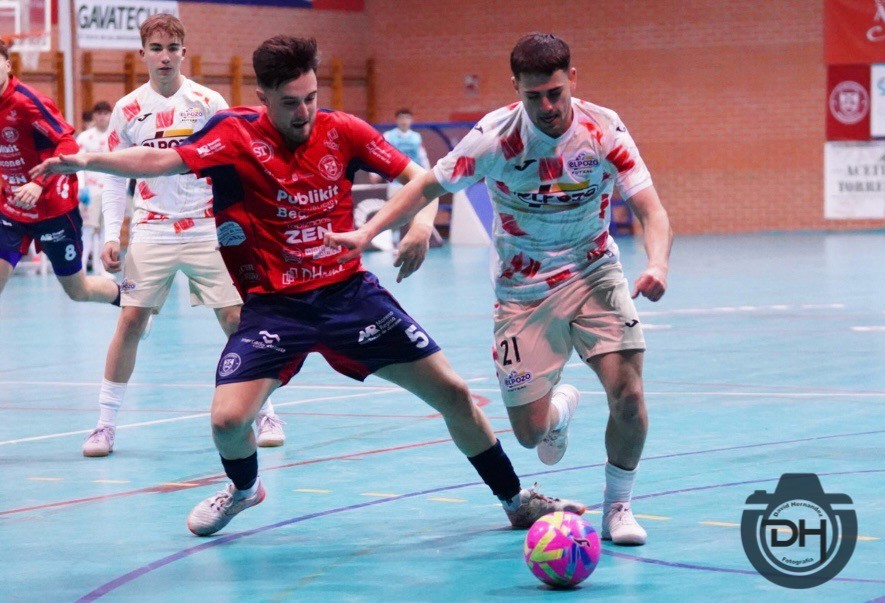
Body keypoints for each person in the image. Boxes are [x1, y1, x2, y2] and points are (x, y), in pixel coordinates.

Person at [32, 34, 584, 537]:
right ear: (263, 97)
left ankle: (515, 500)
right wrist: (88, 160)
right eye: (291, 102)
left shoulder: (342, 130)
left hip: (349, 297)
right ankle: (245, 490)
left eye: (312, 98)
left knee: (455, 395)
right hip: (275, 309)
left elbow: (422, 179)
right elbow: (159, 160)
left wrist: (419, 225)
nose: (304, 112)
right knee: (227, 421)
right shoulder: (233, 135)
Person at [324, 33, 673, 546]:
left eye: (555, 93)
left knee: (629, 394)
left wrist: (657, 263)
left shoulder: (603, 128)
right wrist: (368, 231)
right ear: (516, 88)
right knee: (530, 435)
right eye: (534, 96)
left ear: (573, 80)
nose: (548, 106)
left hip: (594, 272)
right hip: (522, 290)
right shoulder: (493, 138)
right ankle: (559, 410)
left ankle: (618, 506)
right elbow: (426, 186)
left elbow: (651, 209)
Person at [78, 14, 285, 458]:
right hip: (151, 228)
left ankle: (266, 413)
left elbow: (234, 164)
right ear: (142, 55)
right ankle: (104, 425)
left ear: (183, 53)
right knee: (131, 320)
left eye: (172, 48)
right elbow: (114, 177)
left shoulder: (209, 102)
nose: (165, 57)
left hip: (207, 227)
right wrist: (112, 234)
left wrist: (246, 224)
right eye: (156, 49)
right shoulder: (127, 109)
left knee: (237, 319)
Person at [0, 39, 119, 304]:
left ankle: (131, 299)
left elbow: (67, 143)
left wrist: (39, 182)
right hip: (11, 209)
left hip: (52, 208)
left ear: (7, 65)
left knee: (78, 291)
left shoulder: (28, 103)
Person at [76, 101, 113, 274]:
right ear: (94, 116)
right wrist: (81, 187)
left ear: (110, 115)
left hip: (110, 191)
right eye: (99, 113)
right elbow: (78, 164)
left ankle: (103, 270)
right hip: (91, 192)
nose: (102, 117)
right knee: (88, 229)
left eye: (105, 113)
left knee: (107, 231)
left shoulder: (116, 136)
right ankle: (81, 269)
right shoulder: (85, 138)